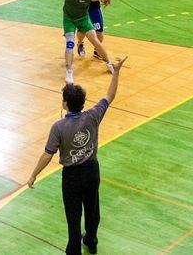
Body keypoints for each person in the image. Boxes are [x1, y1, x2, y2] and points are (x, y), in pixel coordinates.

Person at [26, 57, 127, 255]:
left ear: (65, 103)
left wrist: (33, 174)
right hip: (91, 171)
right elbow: (110, 95)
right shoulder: (93, 116)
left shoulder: (59, 127)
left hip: (71, 176)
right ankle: (91, 240)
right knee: (92, 209)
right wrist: (116, 72)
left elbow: (47, 155)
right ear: (82, 103)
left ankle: (74, 251)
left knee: (73, 217)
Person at [58, 0, 115, 84]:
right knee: (70, 44)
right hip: (69, 19)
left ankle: (109, 63)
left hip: (83, 18)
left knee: (95, 40)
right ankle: (69, 71)